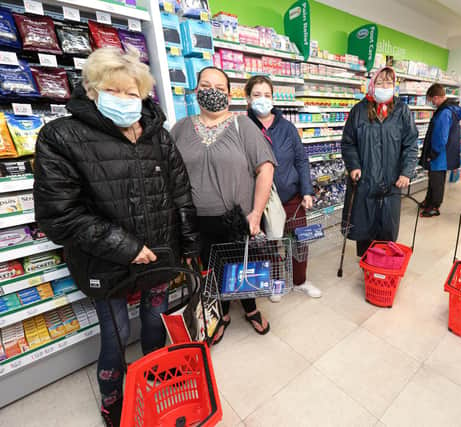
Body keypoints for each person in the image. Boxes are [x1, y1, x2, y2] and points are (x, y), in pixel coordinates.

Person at [32, 47, 199, 426]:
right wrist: (126, 247)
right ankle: (114, 400)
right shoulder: (61, 137)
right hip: (103, 261)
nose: (125, 100)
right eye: (115, 90)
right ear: (92, 90)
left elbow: (180, 193)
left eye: (132, 92)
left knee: (155, 321)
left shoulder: (157, 132)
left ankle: (155, 381)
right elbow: (59, 216)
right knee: (117, 332)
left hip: (159, 254)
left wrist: (188, 244)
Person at [171, 67, 276, 345]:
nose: (212, 92)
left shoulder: (243, 125)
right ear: (195, 91)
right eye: (205, 86)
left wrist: (255, 213)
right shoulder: (180, 128)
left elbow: (265, 168)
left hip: (237, 218)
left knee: (243, 268)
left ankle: (251, 309)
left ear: (229, 95)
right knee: (209, 274)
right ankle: (220, 315)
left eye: (219, 88)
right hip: (196, 221)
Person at [244, 75, 321, 301]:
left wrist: (307, 190)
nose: (262, 99)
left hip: (292, 197)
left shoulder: (287, 127)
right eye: (257, 95)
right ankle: (276, 281)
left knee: (300, 240)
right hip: (263, 201)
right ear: (248, 98)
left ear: (274, 98)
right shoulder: (244, 127)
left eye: (267, 95)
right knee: (271, 243)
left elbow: (301, 160)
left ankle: (300, 281)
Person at [342, 66, 419, 257]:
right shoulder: (358, 111)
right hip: (365, 181)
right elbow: (348, 143)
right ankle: (367, 264)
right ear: (371, 84)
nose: (385, 86)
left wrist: (406, 171)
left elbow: (410, 144)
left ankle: (384, 264)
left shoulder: (402, 110)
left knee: (387, 228)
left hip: (391, 182)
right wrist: (354, 166)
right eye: (380, 82)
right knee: (364, 227)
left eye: (389, 82)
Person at [419, 84, 461, 217]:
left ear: (437, 97)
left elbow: (441, 137)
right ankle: (429, 201)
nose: (432, 103)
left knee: (437, 181)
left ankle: (434, 206)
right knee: (434, 179)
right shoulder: (448, 109)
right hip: (442, 154)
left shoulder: (444, 112)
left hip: (440, 155)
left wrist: (432, 153)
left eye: (432, 100)